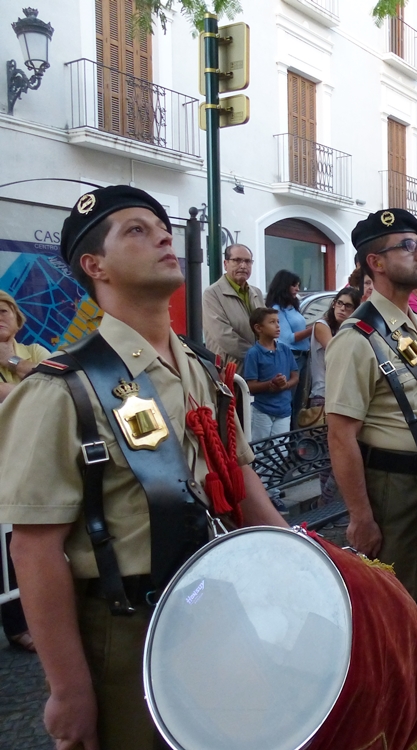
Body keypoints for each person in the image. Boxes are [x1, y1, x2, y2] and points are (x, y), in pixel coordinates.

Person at [0, 185, 287, 750]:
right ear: (94, 265)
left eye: (160, 224)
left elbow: (238, 477)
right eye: (135, 229)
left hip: (218, 599)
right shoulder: (62, 389)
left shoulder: (201, 370)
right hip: (129, 624)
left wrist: (300, 563)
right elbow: (34, 548)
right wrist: (69, 688)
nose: (161, 233)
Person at [323, 208, 417, 741]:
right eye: (409, 245)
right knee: (391, 611)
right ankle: (387, 721)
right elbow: (341, 435)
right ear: (375, 263)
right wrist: (360, 515)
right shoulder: (355, 338)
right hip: (391, 487)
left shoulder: (413, 326)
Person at [0, 290, 51, 653]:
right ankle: (17, 624)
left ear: (18, 318)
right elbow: (33, 395)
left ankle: (32, 622)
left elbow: (52, 387)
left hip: (33, 460)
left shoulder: (35, 353)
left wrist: (14, 362)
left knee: (31, 540)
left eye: (3, 311)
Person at [307, 287, 360, 508]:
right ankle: (324, 505)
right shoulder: (323, 325)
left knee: (337, 457)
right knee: (330, 458)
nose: (342, 309)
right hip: (323, 396)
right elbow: (336, 353)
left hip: (343, 396)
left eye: (348, 306)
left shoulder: (349, 330)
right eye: (339, 303)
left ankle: (325, 503)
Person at [203, 243, 265, 372]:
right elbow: (223, 336)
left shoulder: (256, 292)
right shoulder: (212, 293)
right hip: (230, 372)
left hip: (259, 369)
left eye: (248, 261)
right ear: (226, 264)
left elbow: (266, 326)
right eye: (237, 260)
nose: (243, 266)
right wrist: (258, 355)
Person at [244, 307, 299, 441]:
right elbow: (250, 386)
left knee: (280, 451)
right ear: (258, 328)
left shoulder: (285, 350)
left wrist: (285, 385)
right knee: (261, 450)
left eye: (278, 322)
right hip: (262, 411)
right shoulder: (254, 354)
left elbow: (295, 376)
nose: (277, 326)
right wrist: (271, 384)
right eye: (272, 322)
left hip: (284, 410)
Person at [265, 269, 312, 368]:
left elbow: (300, 329)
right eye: (294, 285)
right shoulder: (277, 310)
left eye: (298, 286)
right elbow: (288, 338)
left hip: (303, 356)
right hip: (292, 357)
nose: (297, 289)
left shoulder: (291, 307)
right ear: (284, 287)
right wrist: (314, 328)